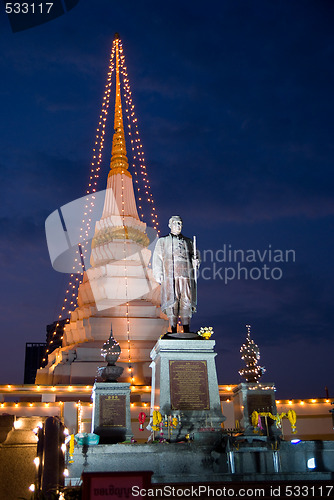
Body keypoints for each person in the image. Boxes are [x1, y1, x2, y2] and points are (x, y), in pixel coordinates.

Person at [152, 216, 200, 333]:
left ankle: (186, 328)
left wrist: (196, 261)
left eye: (180, 223)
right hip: (171, 275)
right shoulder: (163, 241)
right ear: (170, 225)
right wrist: (159, 273)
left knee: (186, 300)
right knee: (172, 301)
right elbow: (157, 258)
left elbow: (195, 257)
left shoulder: (188, 241)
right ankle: (173, 329)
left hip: (185, 275)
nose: (178, 226)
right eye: (176, 223)